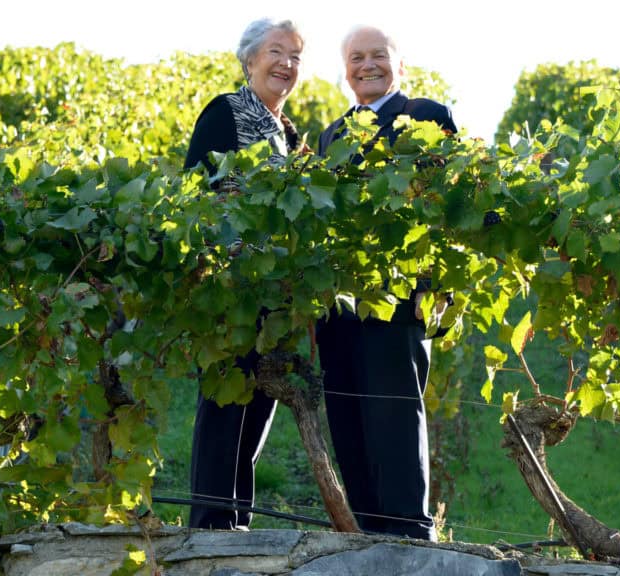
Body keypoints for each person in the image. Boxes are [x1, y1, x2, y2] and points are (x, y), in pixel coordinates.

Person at [316, 24, 458, 541]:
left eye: (379, 56)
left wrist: (435, 287)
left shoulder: (427, 116)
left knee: (395, 414)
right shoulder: (331, 134)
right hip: (339, 304)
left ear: (401, 65)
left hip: (400, 297)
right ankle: (367, 531)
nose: (367, 65)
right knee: (348, 416)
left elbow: (447, 205)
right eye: (356, 58)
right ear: (345, 70)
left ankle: (409, 533)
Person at [184, 18, 306, 530]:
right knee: (223, 406)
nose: (287, 64)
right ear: (249, 59)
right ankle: (210, 526)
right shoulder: (226, 112)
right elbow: (194, 192)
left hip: (274, 295)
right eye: (276, 52)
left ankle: (238, 524)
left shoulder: (290, 134)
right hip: (227, 289)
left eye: (296, 56)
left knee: (256, 408)